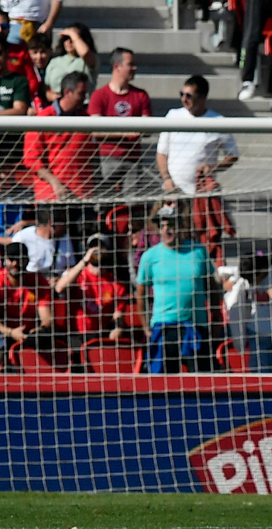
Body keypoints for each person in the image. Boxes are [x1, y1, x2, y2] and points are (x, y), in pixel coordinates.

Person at [155, 75, 240, 250]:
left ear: (202, 98)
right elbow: (161, 153)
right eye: (182, 94)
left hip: (201, 197)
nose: (184, 99)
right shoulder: (173, 116)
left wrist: (213, 167)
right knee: (173, 243)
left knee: (203, 243)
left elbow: (233, 156)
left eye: (189, 95)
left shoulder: (219, 122)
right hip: (173, 195)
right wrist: (167, 180)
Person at [135, 199, 218, 374]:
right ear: (158, 228)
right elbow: (140, 294)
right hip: (164, 326)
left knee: (201, 379)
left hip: (195, 325)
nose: (167, 229)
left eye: (171, 224)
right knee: (163, 382)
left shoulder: (198, 251)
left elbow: (212, 287)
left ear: (180, 225)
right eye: (163, 225)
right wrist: (145, 327)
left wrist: (216, 316)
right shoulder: (150, 257)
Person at [23, 71, 96, 203]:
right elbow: (31, 159)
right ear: (68, 92)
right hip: (50, 196)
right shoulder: (43, 119)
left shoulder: (86, 119)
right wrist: (54, 182)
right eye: (81, 94)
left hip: (82, 195)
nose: (84, 98)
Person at [88, 48, 150, 196]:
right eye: (130, 64)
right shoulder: (99, 95)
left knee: (131, 206)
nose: (134, 68)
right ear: (117, 66)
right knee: (105, 203)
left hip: (132, 159)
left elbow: (147, 127)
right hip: (107, 158)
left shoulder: (141, 95)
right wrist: (125, 133)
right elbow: (95, 131)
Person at [54, 241, 130, 341]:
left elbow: (118, 314)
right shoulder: (77, 274)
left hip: (100, 335)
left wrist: (118, 328)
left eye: (102, 248)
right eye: (93, 248)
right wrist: (84, 260)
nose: (97, 252)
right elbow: (59, 288)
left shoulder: (117, 284)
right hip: (75, 334)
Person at [0, 242, 53, 349]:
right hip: (3, 331)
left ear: (27, 260)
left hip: (29, 333)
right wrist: (10, 332)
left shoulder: (38, 282)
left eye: (19, 259)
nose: (15, 263)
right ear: (5, 260)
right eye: (11, 259)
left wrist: (41, 328)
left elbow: (47, 318)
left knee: (45, 336)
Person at [12, 206, 71, 275]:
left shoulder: (65, 238)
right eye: (63, 222)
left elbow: (70, 266)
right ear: (51, 223)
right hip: (29, 282)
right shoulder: (22, 237)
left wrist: (61, 279)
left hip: (58, 283)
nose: (66, 226)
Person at [44, 23, 96, 97]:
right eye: (66, 38)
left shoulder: (89, 60)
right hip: (58, 105)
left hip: (82, 105)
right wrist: (53, 97)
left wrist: (72, 34)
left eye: (72, 38)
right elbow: (46, 89)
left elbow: (85, 53)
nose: (69, 41)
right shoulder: (54, 61)